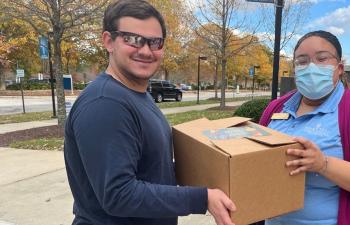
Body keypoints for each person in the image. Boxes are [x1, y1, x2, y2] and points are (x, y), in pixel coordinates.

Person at [63, 1, 236, 225]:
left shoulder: (137, 95)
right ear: (109, 41)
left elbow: (153, 170)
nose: (145, 50)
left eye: (155, 42)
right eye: (133, 39)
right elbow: (118, 194)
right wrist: (202, 199)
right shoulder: (105, 103)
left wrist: (215, 171)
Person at [257, 30, 350, 225]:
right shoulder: (277, 107)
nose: (311, 67)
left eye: (322, 59)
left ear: (339, 68)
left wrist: (322, 164)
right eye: (302, 61)